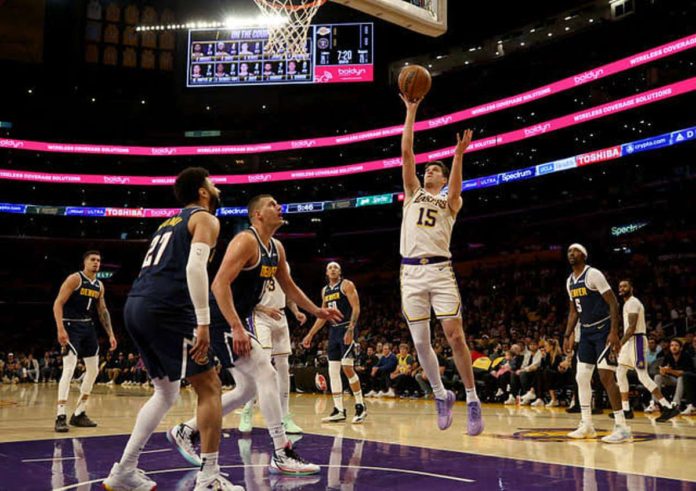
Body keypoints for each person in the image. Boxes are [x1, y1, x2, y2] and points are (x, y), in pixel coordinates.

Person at [168, 194, 341, 475]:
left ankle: (186, 429)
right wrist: (237, 326)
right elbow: (218, 284)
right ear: (257, 215)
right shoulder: (245, 241)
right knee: (267, 373)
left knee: (248, 388)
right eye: (272, 204)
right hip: (220, 320)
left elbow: (289, 286)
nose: (279, 206)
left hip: (234, 320)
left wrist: (317, 311)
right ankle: (281, 451)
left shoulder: (277, 248)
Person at [103, 167, 240, 491]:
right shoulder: (205, 218)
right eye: (212, 182)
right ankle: (208, 477)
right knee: (210, 386)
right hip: (167, 308)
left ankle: (124, 471)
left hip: (136, 304)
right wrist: (204, 321)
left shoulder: (169, 223)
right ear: (203, 191)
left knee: (166, 391)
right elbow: (195, 267)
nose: (217, 186)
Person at [399, 95, 483, 435]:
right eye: (426, 169)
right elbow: (407, 153)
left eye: (434, 169)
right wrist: (411, 109)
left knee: (455, 336)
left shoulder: (450, 201)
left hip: (440, 271)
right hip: (410, 273)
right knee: (420, 342)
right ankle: (440, 394)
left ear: (443, 177)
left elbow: (456, 184)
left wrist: (458, 154)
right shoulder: (413, 192)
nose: (426, 170)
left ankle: (472, 399)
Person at [563, 244, 630, 443]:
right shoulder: (570, 282)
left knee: (606, 376)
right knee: (581, 376)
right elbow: (574, 311)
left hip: (603, 331)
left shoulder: (593, 274)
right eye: (568, 252)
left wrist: (614, 332)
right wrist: (567, 335)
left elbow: (613, 303)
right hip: (586, 332)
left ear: (583, 255)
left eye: (575, 251)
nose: (571, 254)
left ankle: (622, 426)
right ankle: (587, 424)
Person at [52, 250, 117, 432]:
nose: (96, 263)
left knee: (93, 370)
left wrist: (110, 334)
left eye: (98, 260)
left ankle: (79, 413)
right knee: (69, 368)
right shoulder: (75, 279)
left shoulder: (99, 285)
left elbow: (103, 311)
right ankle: (61, 415)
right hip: (70, 325)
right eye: (93, 260)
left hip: (88, 327)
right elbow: (58, 303)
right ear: (85, 262)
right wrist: (60, 328)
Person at [237, 269, 307, 435]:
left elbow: (288, 291)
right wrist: (263, 308)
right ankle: (247, 411)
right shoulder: (255, 261)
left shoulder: (284, 263)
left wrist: (296, 311)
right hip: (260, 316)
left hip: (280, 316)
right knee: (262, 365)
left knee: (284, 367)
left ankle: (285, 416)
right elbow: (244, 295)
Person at [302, 262, 366, 424]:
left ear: (340, 271)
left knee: (347, 367)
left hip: (346, 328)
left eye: (336, 267)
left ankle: (360, 406)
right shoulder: (325, 291)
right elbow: (322, 316)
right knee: (333, 370)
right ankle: (339, 410)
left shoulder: (347, 285)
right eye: (330, 267)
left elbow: (356, 308)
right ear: (326, 272)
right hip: (334, 331)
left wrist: (351, 329)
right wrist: (310, 334)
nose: (333, 269)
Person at [615, 280, 679, 422]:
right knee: (620, 372)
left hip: (636, 341)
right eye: (620, 286)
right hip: (630, 341)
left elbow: (631, 328)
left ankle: (668, 407)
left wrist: (619, 344)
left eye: (625, 286)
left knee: (642, 376)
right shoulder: (627, 303)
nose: (622, 288)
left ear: (631, 288)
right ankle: (626, 409)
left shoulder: (633, 302)